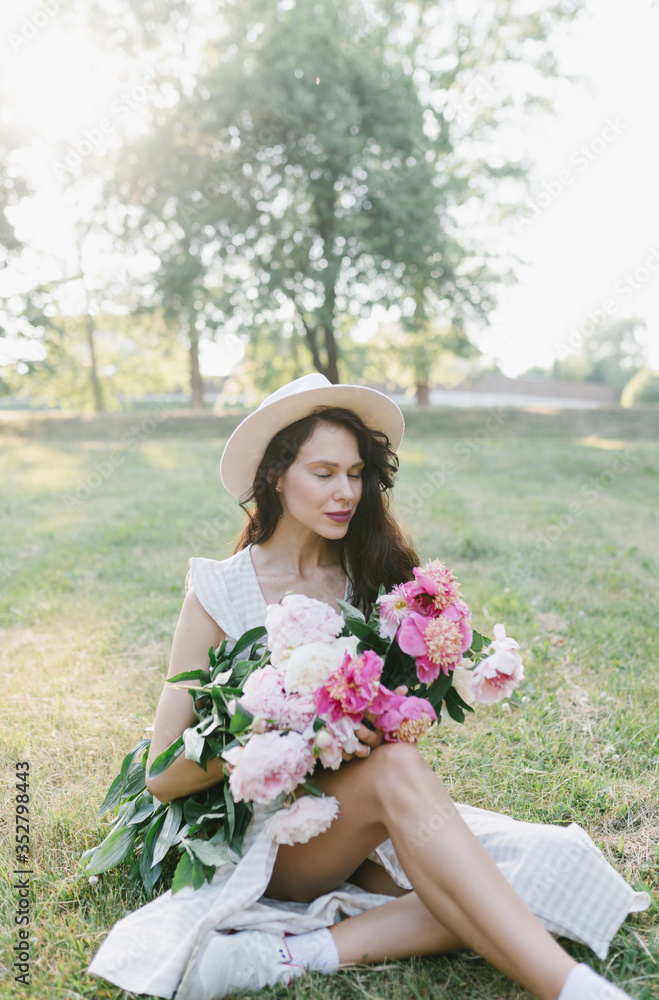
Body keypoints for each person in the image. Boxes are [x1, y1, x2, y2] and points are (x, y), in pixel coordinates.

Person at [89, 373, 649, 1000]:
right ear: (277, 475)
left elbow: (393, 721)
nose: (346, 492)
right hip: (272, 836)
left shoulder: (373, 580)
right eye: (324, 473)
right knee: (410, 789)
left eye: (355, 474)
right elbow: (163, 776)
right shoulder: (219, 591)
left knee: (528, 870)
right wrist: (287, 737)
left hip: (362, 822)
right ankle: (574, 990)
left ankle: (290, 953)